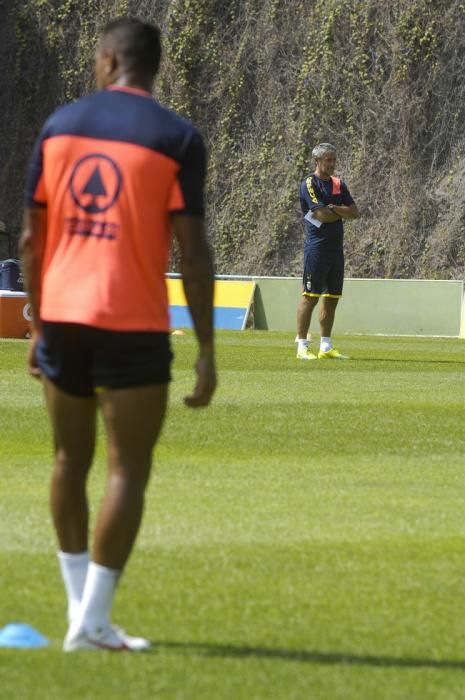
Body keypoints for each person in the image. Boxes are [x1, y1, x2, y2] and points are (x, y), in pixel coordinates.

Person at [20, 16, 216, 652]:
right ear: (153, 67)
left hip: (64, 320)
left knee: (66, 462)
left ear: (106, 60)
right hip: (131, 320)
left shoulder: (58, 127)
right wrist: (207, 349)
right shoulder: (176, 136)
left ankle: (83, 617)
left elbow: (31, 240)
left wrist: (37, 323)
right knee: (127, 469)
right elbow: (192, 252)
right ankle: (92, 622)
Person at [296, 143, 359, 360]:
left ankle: (325, 346)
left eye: (334, 159)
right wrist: (336, 211)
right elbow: (321, 215)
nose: (332, 164)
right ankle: (302, 346)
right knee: (310, 297)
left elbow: (355, 212)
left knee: (332, 298)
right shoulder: (309, 183)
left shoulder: (338, 184)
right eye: (328, 160)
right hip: (317, 248)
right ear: (318, 161)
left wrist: (332, 208)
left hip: (336, 250)